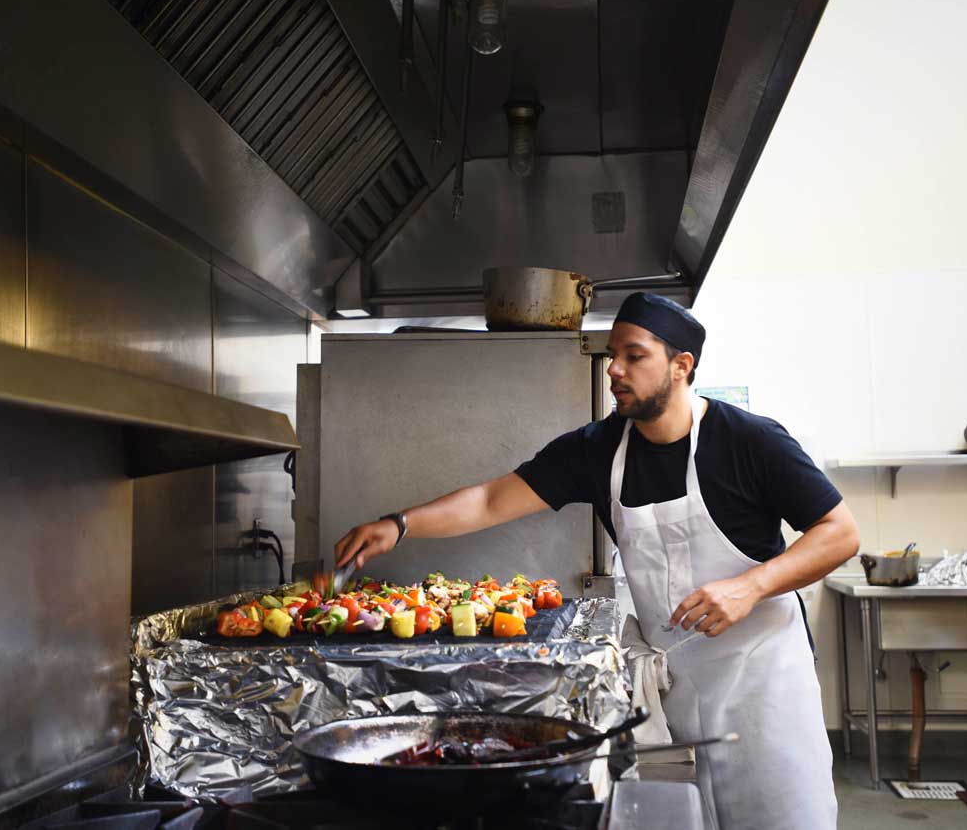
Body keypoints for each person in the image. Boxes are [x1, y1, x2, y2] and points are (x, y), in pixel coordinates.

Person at [333, 292, 860, 830]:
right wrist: (399, 525)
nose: (614, 369)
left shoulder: (750, 440)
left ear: (682, 366)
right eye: (613, 355)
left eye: (634, 356)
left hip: (763, 681)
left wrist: (749, 586)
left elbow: (839, 533)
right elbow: (493, 500)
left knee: (784, 818)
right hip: (677, 682)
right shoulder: (598, 448)